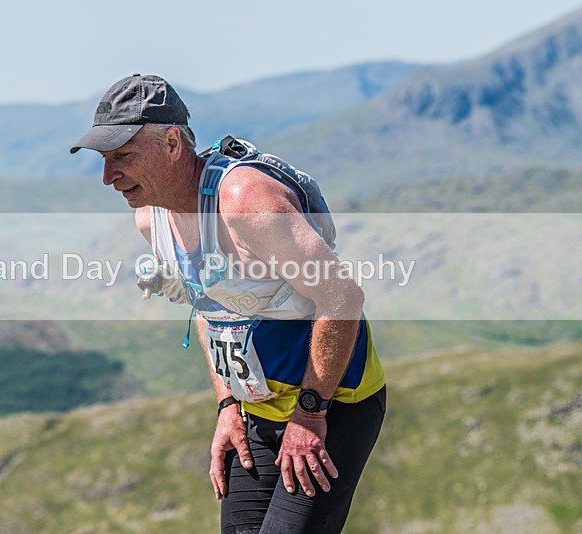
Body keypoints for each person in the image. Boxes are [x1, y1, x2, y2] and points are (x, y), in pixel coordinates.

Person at [71, 73, 386, 534]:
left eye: (123, 156)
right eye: (104, 159)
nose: (108, 177)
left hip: (332, 403)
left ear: (173, 144)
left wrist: (310, 413)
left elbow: (342, 297)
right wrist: (227, 406)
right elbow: (208, 305)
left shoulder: (244, 202)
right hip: (255, 410)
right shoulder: (150, 219)